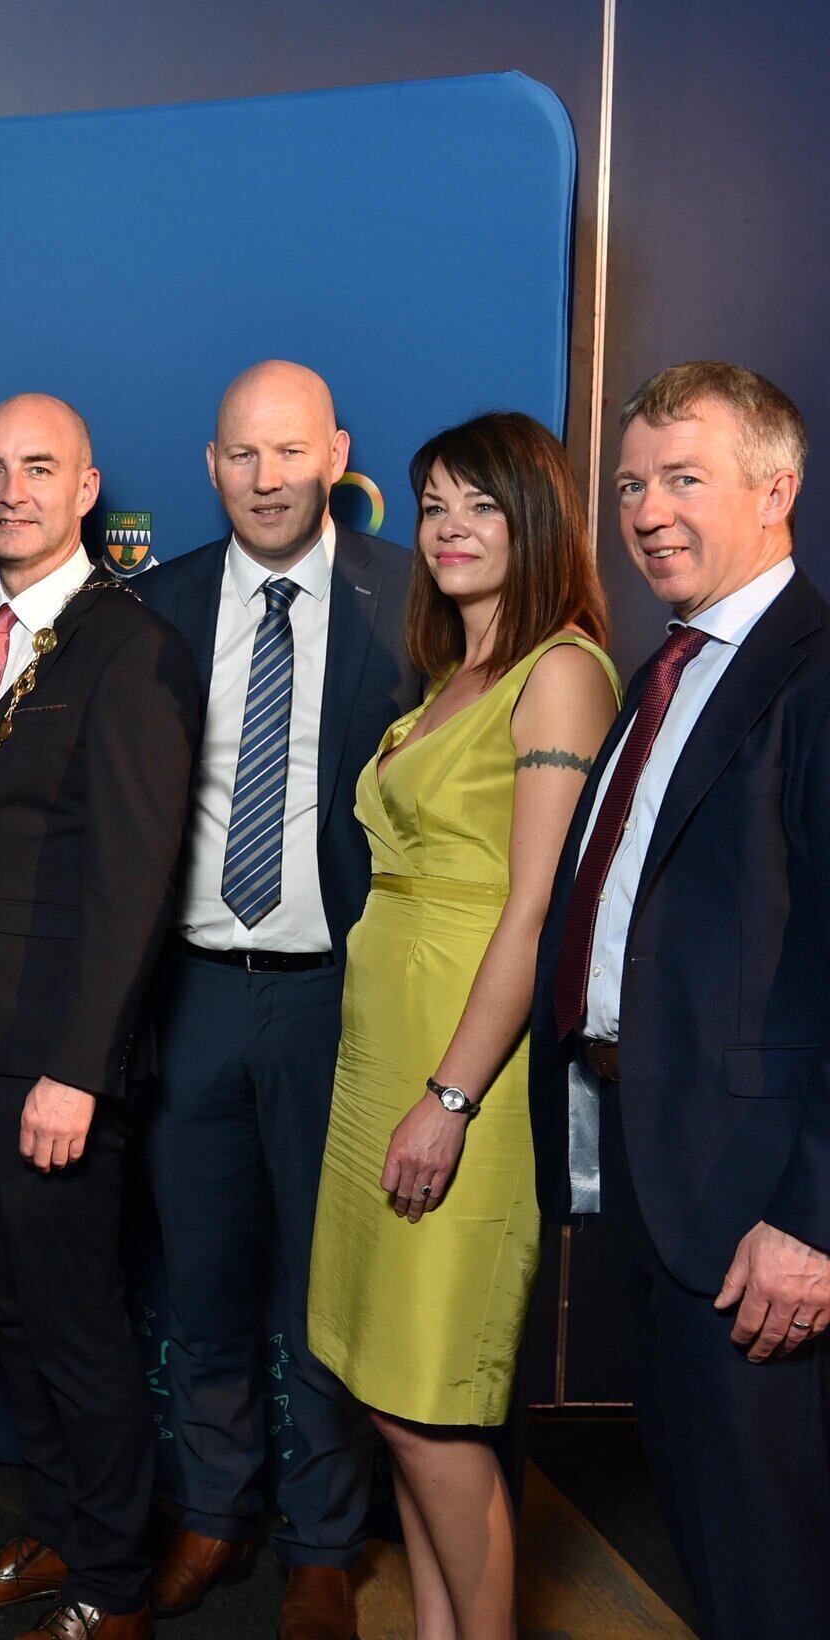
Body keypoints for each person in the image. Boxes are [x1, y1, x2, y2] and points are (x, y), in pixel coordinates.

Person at [529, 361, 830, 1638]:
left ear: (777, 487)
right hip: (668, 1186)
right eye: (631, 482)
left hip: (758, 1207)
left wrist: (810, 1218)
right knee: (714, 1537)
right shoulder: (666, 668)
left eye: (682, 477)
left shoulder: (810, 675)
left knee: (771, 1567)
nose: (646, 509)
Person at [305, 411, 615, 1640]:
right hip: (377, 1057)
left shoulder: (561, 669)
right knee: (390, 1399)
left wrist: (448, 1097)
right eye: (433, 503)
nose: (447, 527)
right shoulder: (452, 677)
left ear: (535, 518)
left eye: (481, 503)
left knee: (434, 1407)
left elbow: (533, 910)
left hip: (457, 1077)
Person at [0, 395, 199, 1640]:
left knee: (77, 1328)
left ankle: (113, 1589)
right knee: (10, 1315)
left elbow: (133, 879)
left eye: (39, 469)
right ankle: (64, 1531)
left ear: (87, 490)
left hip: (52, 1067)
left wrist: (76, 1070)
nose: (9, 489)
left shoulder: (130, 644)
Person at [128, 361, 412, 1638]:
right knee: (199, 1279)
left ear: (335, 454)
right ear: (210, 463)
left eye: (289, 451)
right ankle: (210, 1509)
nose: (265, 476)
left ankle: (320, 1538)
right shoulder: (160, 604)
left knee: (322, 1288)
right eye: (242, 454)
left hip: (333, 999)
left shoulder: (410, 599)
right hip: (186, 993)